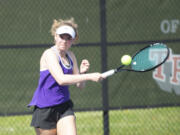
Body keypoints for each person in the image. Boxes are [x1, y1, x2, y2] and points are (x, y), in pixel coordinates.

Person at [28, 18, 105, 135]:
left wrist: (82, 73)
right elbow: (61, 79)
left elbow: (80, 85)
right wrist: (89, 76)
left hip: (64, 106)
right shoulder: (49, 54)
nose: (64, 41)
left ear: (73, 40)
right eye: (61, 37)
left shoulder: (71, 56)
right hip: (45, 109)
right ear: (55, 36)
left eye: (68, 38)